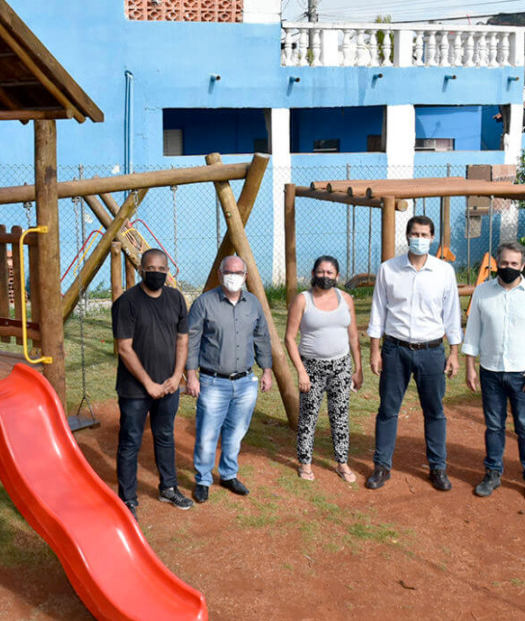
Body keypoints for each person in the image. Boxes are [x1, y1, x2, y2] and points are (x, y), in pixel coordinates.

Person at [365, 215, 462, 492]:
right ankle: (382, 466)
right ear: (407, 236)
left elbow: (452, 314)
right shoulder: (388, 269)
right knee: (387, 410)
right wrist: (375, 351)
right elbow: (378, 312)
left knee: (435, 411)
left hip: (431, 351)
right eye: (415, 234)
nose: (419, 239)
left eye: (424, 235)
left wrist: (454, 353)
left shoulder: (444, 272)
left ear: (432, 238)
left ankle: (438, 468)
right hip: (395, 349)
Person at [462, 242, 525, 504]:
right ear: (497, 264)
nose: (509, 267)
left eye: (514, 264)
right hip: (490, 370)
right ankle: (492, 472)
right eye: (504, 263)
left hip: (523, 373)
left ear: (522, 266)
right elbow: (473, 331)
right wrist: (470, 367)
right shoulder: (482, 292)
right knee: (493, 426)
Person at [111, 249, 194, 519]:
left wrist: (176, 376)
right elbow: (124, 348)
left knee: (165, 436)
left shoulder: (176, 298)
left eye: (161, 268)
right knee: (130, 441)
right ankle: (127, 499)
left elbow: (182, 340)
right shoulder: (128, 303)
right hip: (136, 390)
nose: (156, 273)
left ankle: (168, 487)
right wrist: (148, 384)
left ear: (167, 270)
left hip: (168, 386)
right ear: (141, 269)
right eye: (151, 268)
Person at [186, 255, 273, 503]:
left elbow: (262, 338)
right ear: (220, 274)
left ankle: (228, 474)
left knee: (236, 432)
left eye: (238, 272)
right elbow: (191, 341)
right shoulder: (204, 303)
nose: (233, 276)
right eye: (228, 272)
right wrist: (191, 375)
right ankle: (203, 479)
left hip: (245, 382)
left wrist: (266, 370)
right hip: (213, 381)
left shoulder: (253, 303)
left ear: (245, 276)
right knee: (207, 434)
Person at [285, 256, 363, 483]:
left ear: (337, 276)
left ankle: (342, 462)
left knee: (340, 416)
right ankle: (305, 463)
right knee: (308, 417)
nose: (325, 276)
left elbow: (353, 335)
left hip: (341, 366)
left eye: (330, 273)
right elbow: (289, 338)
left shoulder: (346, 299)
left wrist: (358, 368)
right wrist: (301, 371)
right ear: (312, 273)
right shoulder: (302, 300)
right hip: (311, 367)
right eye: (321, 272)